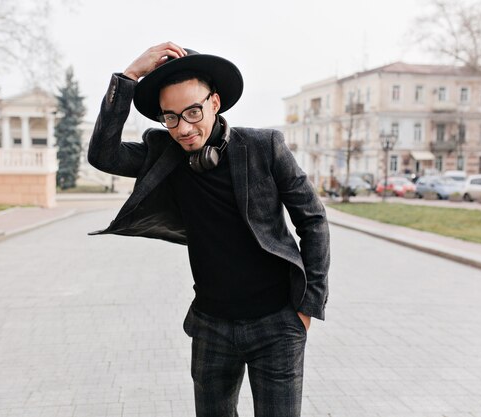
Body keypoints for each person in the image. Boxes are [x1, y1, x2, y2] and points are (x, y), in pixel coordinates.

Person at [88, 42, 330, 417]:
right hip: (211, 327)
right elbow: (103, 155)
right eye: (170, 117)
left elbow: (312, 219)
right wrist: (129, 77)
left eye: (193, 112)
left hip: (278, 325)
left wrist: (308, 306)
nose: (183, 128)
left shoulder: (265, 146)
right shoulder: (164, 154)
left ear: (215, 102)